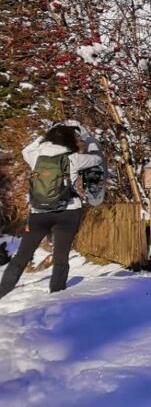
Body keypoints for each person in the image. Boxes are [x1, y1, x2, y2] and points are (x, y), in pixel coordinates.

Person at [0, 123, 106, 299]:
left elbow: (26, 150)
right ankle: (56, 296)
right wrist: (89, 140)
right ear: (70, 140)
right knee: (61, 258)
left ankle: (2, 292)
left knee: (22, 256)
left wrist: (44, 135)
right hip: (68, 212)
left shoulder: (36, 156)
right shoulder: (74, 158)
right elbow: (97, 160)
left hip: (38, 214)